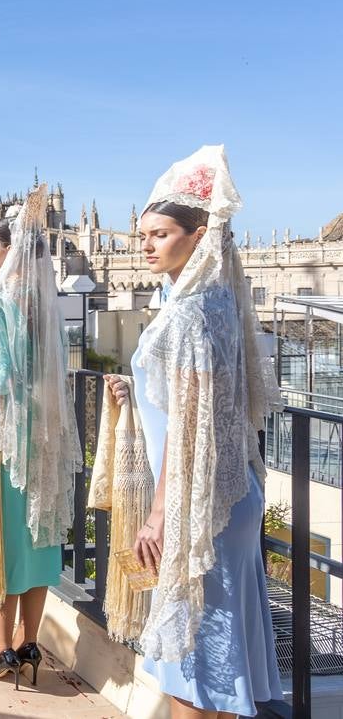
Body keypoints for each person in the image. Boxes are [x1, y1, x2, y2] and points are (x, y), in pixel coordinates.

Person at [107, 146, 282, 718]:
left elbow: (188, 431)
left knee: (193, 671)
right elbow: (200, 402)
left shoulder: (187, 315)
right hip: (229, 497)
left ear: (198, 235)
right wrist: (134, 391)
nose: (146, 245)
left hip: (197, 505)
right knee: (217, 660)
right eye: (142, 235)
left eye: (159, 234)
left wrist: (158, 515)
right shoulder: (213, 302)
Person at [0, 185, 82, 689]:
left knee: (2, 548)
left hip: (7, 441)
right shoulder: (44, 303)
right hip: (45, 440)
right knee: (39, 544)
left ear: (9, 251)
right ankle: (31, 645)